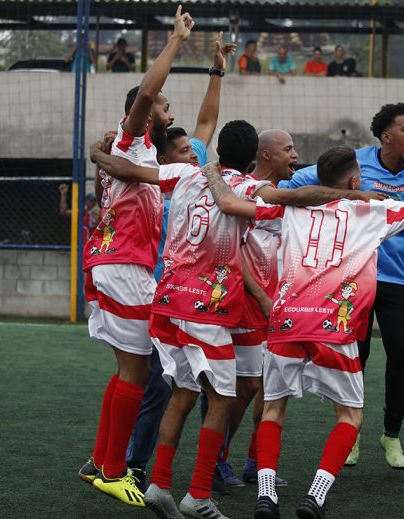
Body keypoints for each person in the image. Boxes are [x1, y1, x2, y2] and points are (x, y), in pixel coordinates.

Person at [207, 146, 404, 519]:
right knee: (349, 417)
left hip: (285, 322)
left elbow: (230, 204)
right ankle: (315, 497)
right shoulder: (370, 211)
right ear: (355, 182)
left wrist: (212, 169)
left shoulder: (292, 210)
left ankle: (265, 494)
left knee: (273, 411)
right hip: (334, 326)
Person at [280, 103, 404, 470]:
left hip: (396, 281)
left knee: (400, 356)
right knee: (357, 357)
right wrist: (352, 196)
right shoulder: (353, 163)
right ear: (386, 136)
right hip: (353, 281)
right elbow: (292, 186)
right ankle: (350, 431)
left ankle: (391, 435)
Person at [91, 120, 264, 519]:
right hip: (206, 309)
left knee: (183, 392)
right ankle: (200, 492)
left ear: (217, 151)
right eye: (289, 150)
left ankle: (160, 483)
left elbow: (130, 171)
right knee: (223, 398)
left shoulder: (186, 172)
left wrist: (100, 156)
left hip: (168, 301)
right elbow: (289, 200)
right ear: (257, 159)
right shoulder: (250, 189)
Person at [76, 6, 193, 508]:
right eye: (163, 104)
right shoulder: (133, 138)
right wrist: (174, 43)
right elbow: (145, 93)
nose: (167, 109)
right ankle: (115, 471)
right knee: (140, 371)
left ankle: (100, 463)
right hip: (122, 266)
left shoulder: (139, 154)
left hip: (121, 265)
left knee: (129, 370)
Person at [122, 32, 236, 492]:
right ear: (166, 161)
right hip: (162, 293)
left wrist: (216, 68)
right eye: (186, 152)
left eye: (195, 151)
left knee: (211, 385)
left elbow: (207, 120)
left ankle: (213, 468)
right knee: (159, 387)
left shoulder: (198, 168)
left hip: (201, 298)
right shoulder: (166, 182)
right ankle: (135, 464)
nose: (195, 153)